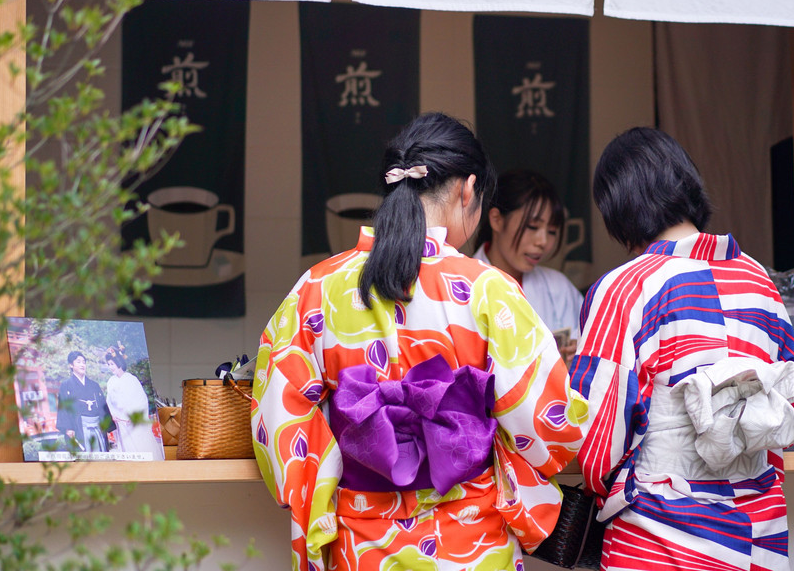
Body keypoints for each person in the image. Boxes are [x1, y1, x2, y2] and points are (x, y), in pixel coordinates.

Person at [251, 112, 587, 571]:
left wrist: (331, 479)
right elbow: (546, 428)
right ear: (468, 189)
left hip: (361, 541)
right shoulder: (490, 290)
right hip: (471, 540)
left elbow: (276, 410)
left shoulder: (318, 287)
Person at [569, 127, 794, 571]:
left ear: (619, 206)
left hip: (658, 539)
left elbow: (595, 438)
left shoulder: (627, 286)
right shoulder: (761, 283)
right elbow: (785, 410)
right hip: (760, 535)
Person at [472, 169, 584, 364]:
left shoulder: (559, 287)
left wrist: (581, 352)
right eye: (532, 227)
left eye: (551, 231)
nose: (543, 242)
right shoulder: (464, 286)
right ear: (497, 220)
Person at [104, 352, 165, 460]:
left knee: (139, 443)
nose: (110, 367)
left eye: (112, 364)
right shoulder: (111, 381)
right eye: (108, 364)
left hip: (133, 420)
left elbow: (140, 401)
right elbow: (109, 401)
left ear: (118, 363)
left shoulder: (131, 379)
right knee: (126, 445)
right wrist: (113, 414)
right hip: (120, 421)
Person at [55, 350, 114, 453]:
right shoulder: (66, 385)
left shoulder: (94, 385)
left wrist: (107, 425)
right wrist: (68, 428)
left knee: (101, 454)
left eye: (83, 362)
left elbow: (102, 406)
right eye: (78, 362)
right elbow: (63, 408)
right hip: (79, 427)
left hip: (97, 427)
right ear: (71, 365)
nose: (82, 365)